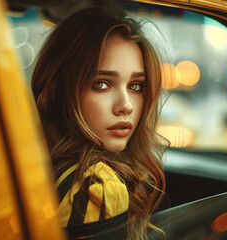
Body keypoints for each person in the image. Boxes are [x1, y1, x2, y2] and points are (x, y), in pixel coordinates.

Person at [31, 6, 166, 240]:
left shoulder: (31, 165)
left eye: (135, 86)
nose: (126, 106)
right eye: (101, 84)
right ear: (61, 91)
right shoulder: (95, 186)